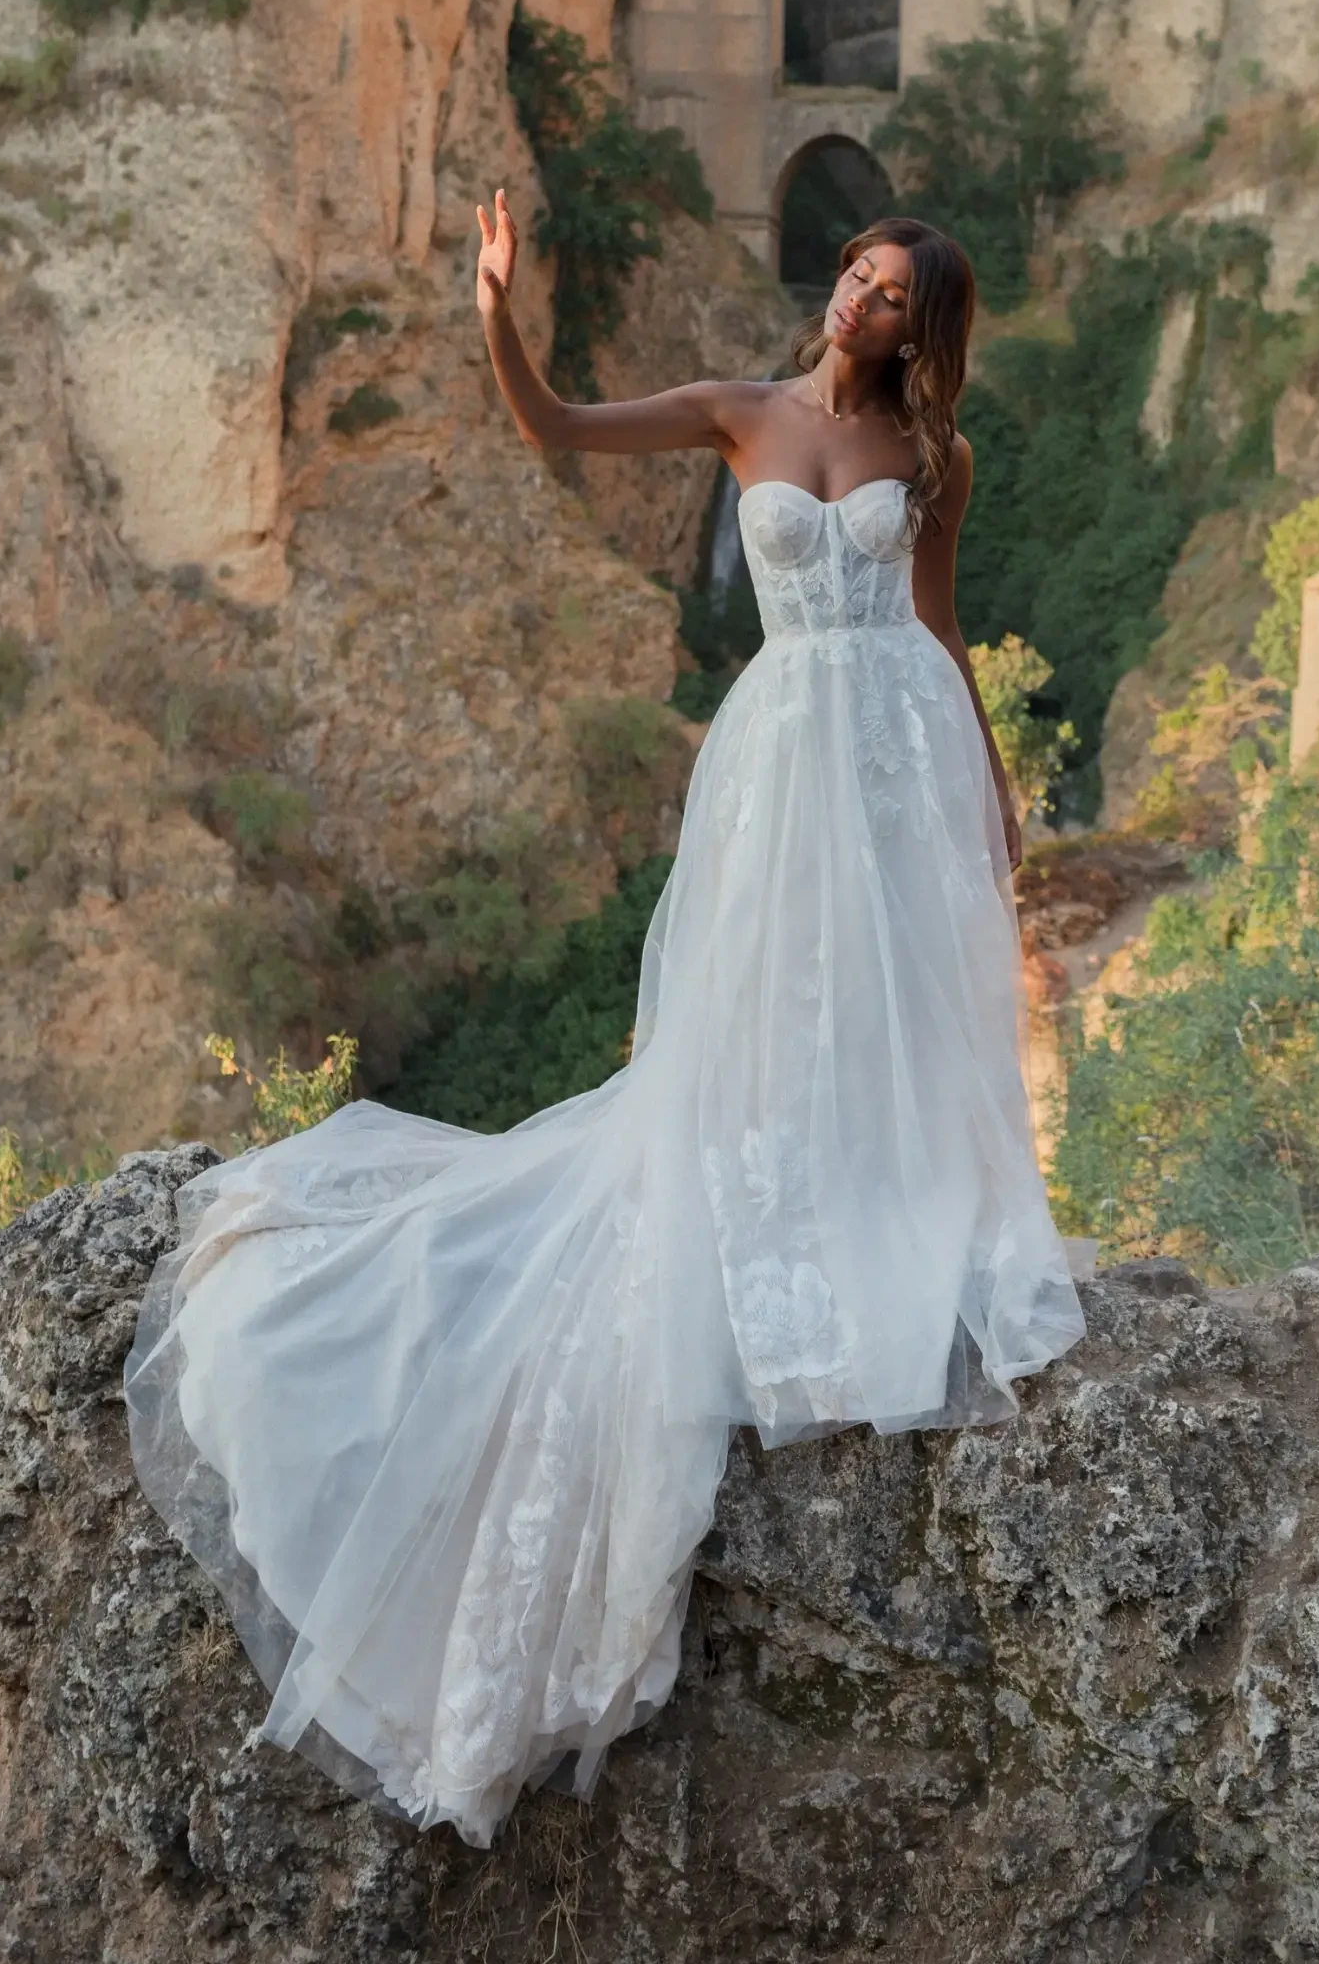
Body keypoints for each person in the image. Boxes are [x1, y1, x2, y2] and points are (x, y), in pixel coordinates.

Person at [123, 193, 1087, 1850]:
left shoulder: (940, 462)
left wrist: (991, 791)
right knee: (750, 1025)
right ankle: (754, 1228)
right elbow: (555, 428)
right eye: (854, 273)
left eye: (892, 290)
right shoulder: (741, 412)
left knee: (887, 1014)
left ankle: (871, 1218)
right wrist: (497, 305)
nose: (859, 299)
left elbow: (933, 624)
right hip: (779, 755)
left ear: (928, 325)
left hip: (895, 751)